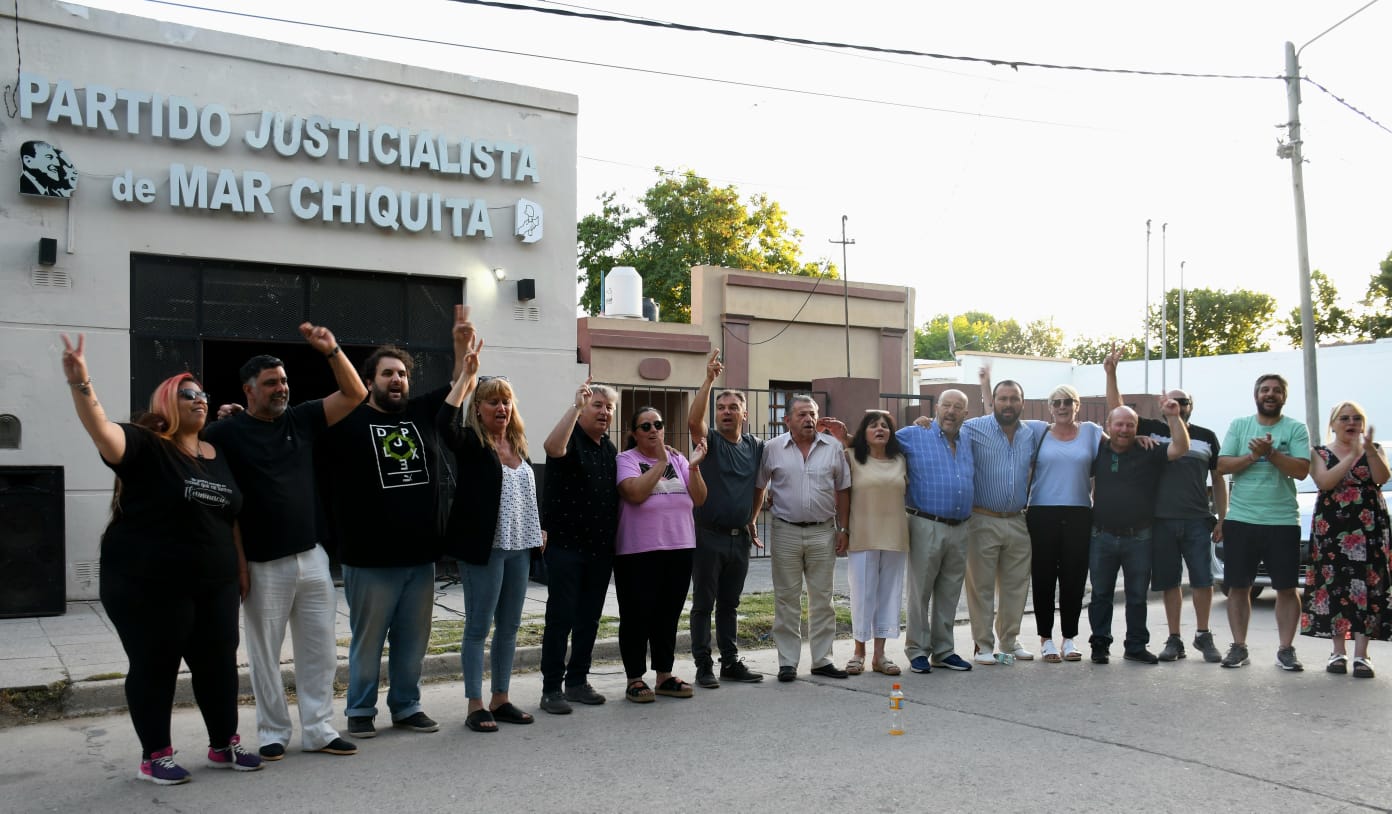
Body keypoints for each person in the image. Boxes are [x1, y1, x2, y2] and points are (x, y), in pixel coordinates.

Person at [62, 335, 260, 784]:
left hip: (216, 581)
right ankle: (155, 755)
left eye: (204, 394)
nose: (200, 400)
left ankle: (223, 743)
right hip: (148, 583)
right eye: (189, 394)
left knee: (218, 662)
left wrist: (241, 567)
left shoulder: (215, 453)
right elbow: (102, 431)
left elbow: (230, 516)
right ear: (168, 402)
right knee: (156, 662)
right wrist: (82, 383)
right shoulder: (145, 445)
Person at [204, 323, 365, 760]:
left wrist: (332, 349)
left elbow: (354, 395)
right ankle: (273, 731)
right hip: (261, 562)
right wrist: (236, 563)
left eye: (284, 381)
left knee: (320, 651)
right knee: (264, 655)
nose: (281, 388)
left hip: (312, 556)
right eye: (271, 383)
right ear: (248, 390)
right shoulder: (225, 433)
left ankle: (318, 728)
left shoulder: (302, 418)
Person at [317, 305, 472, 739]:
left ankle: (407, 705)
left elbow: (461, 383)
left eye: (402, 373)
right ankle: (360, 710)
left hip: (420, 557)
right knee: (368, 642)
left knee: (412, 642)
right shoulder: (347, 420)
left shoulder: (421, 413)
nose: (397, 380)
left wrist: (461, 344)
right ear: (369, 382)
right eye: (387, 374)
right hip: (368, 558)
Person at [438, 355, 544, 733]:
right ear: (477, 409)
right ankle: (475, 704)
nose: (501, 407)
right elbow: (442, 424)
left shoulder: (519, 445)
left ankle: (501, 698)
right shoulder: (470, 443)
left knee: (510, 626)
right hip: (485, 549)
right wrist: (465, 378)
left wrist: (539, 529)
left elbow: (523, 495)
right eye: (492, 401)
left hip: (519, 548)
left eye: (506, 401)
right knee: (478, 627)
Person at [1105, 348, 1227, 663]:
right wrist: (1111, 373)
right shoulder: (1152, 431)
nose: (1177, 405)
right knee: (1169, 582)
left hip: (1198, 519)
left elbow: (1219, 479)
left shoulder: (1206, 437)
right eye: (1172, 401)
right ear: (1162, 405)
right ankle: (1175, 639)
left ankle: (1203, 635)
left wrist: (1222, 518)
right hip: (1159, 520)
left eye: (1183, 401)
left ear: (1190, 406)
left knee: (1202, 579)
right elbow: (1117, 410)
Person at [1216, 374, 1311, 671]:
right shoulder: (1240, 425)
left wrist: (1270, 453)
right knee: (1239, 587)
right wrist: (1252, 455)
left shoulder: (1295, 428)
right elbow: (1221, 466)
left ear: (1284, 396)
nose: (1270, 394)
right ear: (1256, 395)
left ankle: (1286, 649)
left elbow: (1301, 470)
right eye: (1265, 390)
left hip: (1282, 520)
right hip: (1241, 519)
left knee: (1285, 588)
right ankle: (1238, 647)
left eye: (1276, 391)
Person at [537, 377, 621, 714]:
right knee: (561, 618)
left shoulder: (610, 449)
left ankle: (577, 682)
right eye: (596, 405)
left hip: (600, 551)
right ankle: (551, 689)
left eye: (608, 407)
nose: (603, 412)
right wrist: (574, 406)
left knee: (589, 619)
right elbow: (551, 448)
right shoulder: (569, 439)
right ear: (583, 408)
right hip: (566, 548)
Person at [614, 407, 708, 702]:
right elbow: (635, 494)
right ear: (634, 434)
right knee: (636, 615)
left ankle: (664, 675)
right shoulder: (626, 460)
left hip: (679, 546)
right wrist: (661, 461)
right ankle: (634, 678)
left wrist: (692, 467)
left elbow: (699, 498)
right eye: (645, 427)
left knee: (668, 613)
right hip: (638, 550)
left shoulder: (680, 459)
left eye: (658, 424)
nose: (653, 430)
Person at [758, 395, 852, 682]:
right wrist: (755, 516)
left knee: (823, 599)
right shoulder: (772, 449)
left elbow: (844, 489)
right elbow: (759, 486)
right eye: (801, 414)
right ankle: (787, 662)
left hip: (823, 530)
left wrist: (843, 529)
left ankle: (822, 659)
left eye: (811, 414)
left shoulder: (833, 448)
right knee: (786, 599)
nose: (808, 419)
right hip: (785, 530)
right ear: (787, 420)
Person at [1087, 402, 1190, 664]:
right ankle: (1100, 644)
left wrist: (1173, 416)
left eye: (1130, 425)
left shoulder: (1150, 449)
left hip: (1139, 537)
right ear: (1109, 427)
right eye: (1119, 424)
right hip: (1102, 536)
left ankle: (1135, 645)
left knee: (1136, 596)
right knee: (1100, 595)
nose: (1124, 429)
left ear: (1137, 428)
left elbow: (1181, 447)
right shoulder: (1097, 451)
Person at [687, 350, 766, 688]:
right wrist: (708, 381)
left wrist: (752, 519)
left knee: (730, 605)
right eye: (721, 407)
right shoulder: (711, 442)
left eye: (733, 407)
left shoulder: (756, 446)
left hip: (740, 538)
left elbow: (760, 487)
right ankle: (703, 665)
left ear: (744, 414)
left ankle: (730, 662)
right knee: (704, 604)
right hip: (708, 535)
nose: (726, 412)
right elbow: (693, 422)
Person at [1300, 401, 1391, 678]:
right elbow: (1325, 482)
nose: (1350, 423)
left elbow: (1382, 477)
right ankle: (1337, 653)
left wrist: (1368, 452)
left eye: (1356, 418)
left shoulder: (1374, 450)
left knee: (1368, 587)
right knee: (1335, 586)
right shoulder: (1319, 452)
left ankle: (1362, 656)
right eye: (1344, 418)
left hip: (1368, 528)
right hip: (1333, 529)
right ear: (1333, 424)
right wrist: (1351, 457)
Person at [1020, 385, 1104, 664]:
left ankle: (1069, 638)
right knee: (1043, 578)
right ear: (1050, 407)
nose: (1062, 406)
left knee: (1075, 579)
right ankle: (1046, 639)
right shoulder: (1036, 430)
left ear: (1077, 405)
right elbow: (998, 423)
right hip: (1042, 513)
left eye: (1068, 401)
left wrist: (1143, 441)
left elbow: (1120, 444)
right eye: (1056, 402)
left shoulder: (1091, 431)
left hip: (1080, 513)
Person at [961, 369, 1040, 664]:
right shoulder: (973, 428)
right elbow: (943, 429)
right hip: (982, 519)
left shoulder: (1031, 434)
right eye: (1003, 398)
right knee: (980, 586)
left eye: (1014, 399)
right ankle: (982, 645)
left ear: (1022, 402)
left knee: (1016, 585)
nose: (1008, 404)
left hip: (1018, 520)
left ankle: (1009, 641)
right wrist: (923, 422)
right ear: (993, 401)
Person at [900, 390, 976, 674]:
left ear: (965, 414)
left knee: (950, 591)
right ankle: (918, 650)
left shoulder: (969, 438)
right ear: (936, 408)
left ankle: (944, 650)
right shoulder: (913, 434)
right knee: (920, 590)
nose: (951, 411)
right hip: (925, 523)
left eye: (958, 407)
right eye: (946, 405)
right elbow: (874, 441)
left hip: (961, 526)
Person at [841, 411, 909, 676]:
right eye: (873, 425)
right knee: (863, 594)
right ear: (863, 433)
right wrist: (843, 529)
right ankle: (858, 652)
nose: (880, 429)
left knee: (889, 596)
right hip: (862, 535)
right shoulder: (851, 458)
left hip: (895, 536)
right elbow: (843, 496)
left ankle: (880, 655)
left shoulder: (901, 460)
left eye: (885, 426)